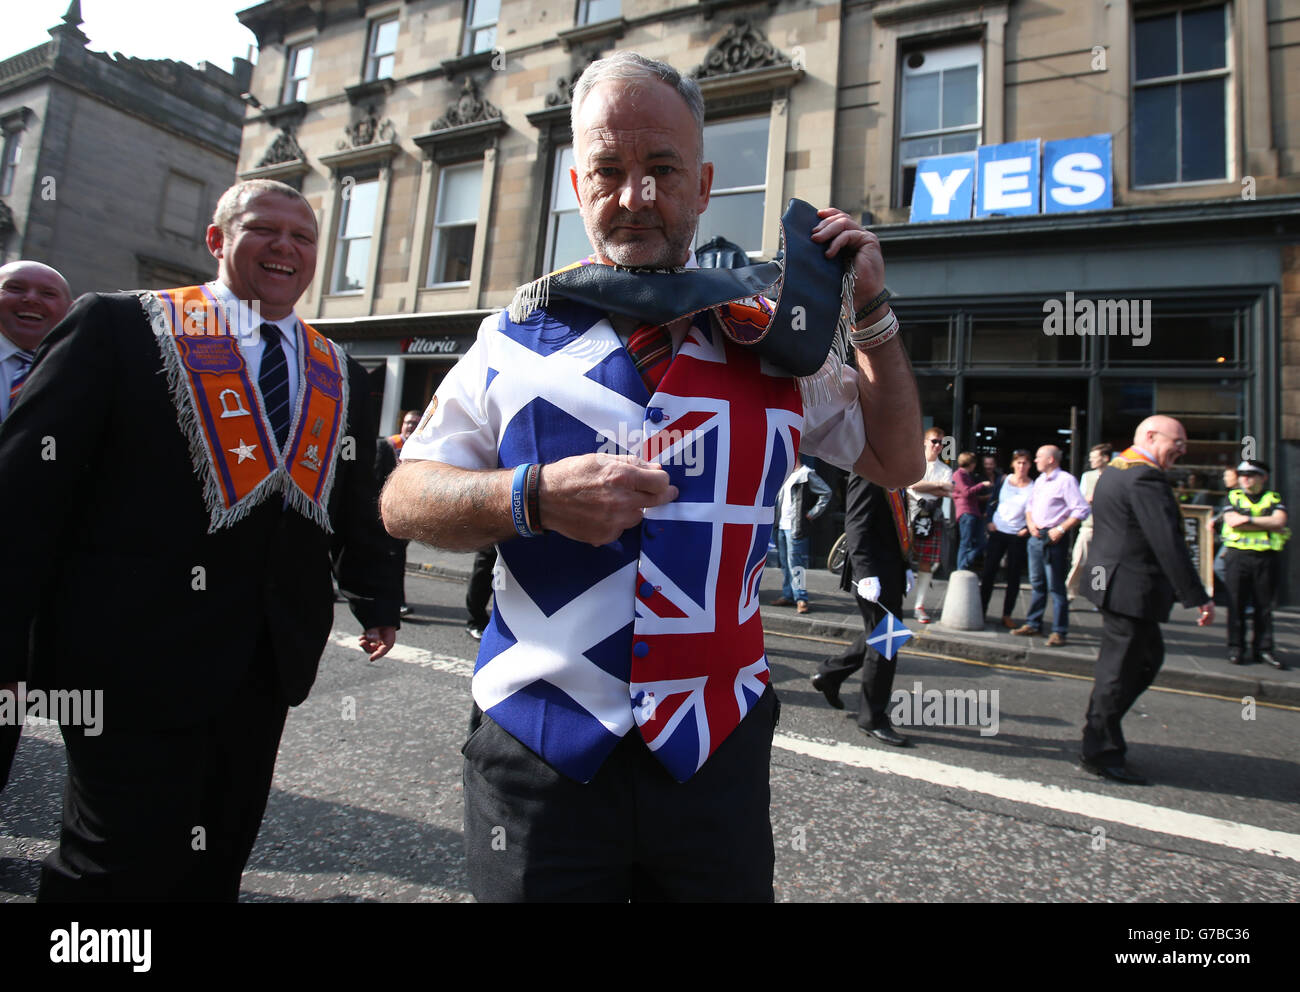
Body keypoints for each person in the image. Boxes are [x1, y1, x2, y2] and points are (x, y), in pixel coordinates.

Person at [381, 51, 922, 902]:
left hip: (715, 755)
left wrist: (875, 314)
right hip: (539, 754)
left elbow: (899, 461)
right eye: (609, 170)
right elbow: (403, 499)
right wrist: (527, 497)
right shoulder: (510, 338)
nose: (636, 197)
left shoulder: (771, 342)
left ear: (704, 184)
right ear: (576, 183)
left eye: (662, 169)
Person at [0, 179, 402, 900]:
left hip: (263, 663)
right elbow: (24, 494)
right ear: (217, 240)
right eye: (263, 229)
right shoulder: (119, 326)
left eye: (303, 236)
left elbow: (351, 498)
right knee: (112, 866)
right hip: (123, 658)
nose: (285, 248)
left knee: (215, 862)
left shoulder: (337, 367)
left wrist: (376, 592)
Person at [1079, 416, 1213, 784]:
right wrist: (1197, 595)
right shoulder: (1144, 475)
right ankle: (1100, 749)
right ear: (1151, 436)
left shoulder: (1116, 469)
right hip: (1129, 586)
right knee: (1123, 668)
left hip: (1112, 580)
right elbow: (1167, 539)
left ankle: (1099, 733)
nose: (1182, 451)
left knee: (1140, 661)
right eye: (1178, 442)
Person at [0, 259, 73, 793]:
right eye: (15, 289)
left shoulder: (83, 373)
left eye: (48, 293)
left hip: (36, 571)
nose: (32, 301)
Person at [810, 472, 913, 746]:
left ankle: (831, 674)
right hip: (873, 576)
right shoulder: (869, 472)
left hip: (891, 572)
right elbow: (855, 524)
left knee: (882, 634)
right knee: (885, 643)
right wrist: (866, 574)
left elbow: (896, 525)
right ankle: (872, 717)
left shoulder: (893, 472)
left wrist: (907, 565)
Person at [1013, 445, 1089, 646]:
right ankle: (1033, 624)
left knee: (1056, 587)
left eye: (1038, 457)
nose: (1035, 460)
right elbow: (1030, 507)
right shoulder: (1039, 481)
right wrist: (1030, 524)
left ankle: (1059, 631)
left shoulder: (1066, 481)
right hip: (1036, 536)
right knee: (1037, 584)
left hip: (1053, 538)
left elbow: (1081, 509)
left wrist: (1061, 529)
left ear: (1051, 460)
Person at [1221, 459, 1288, 669]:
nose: (1245, 479)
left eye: (1250, 475)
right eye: (1242, 475)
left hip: (1265, 558)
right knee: (1236, 604)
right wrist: (1263, 523)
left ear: (1263, 478)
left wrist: (1247, 520)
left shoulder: (1272, 498)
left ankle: (1264, 649)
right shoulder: (1233, 496)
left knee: (1264, 607)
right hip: (1237, 557)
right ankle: (1236, 647)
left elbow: (1279, 521)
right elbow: (1232, 521)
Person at [375, 410, 422, 616]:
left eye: (415, 423)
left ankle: (391, 600)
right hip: (386, 512)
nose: (410, 427)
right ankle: (394, 602)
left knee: (396, 558)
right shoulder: (388, 445)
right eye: (408, 422)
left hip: (407, 514)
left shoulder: (423, 450)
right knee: (391, 558)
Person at [980, 449, 1033, 628]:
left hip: (1017, 534)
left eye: (1025, 463)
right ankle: (981, 610)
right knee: (988, 573)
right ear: (1013, 464)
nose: (1021, 466)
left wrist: (1027, 528)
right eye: (1018, 462)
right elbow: (992, 501)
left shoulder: (1033, 486)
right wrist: (988, 520)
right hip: (998, 531)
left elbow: (1035, 511)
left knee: (1014, 576)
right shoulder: (1003, 480)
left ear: (1030, 465)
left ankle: (1007, 614)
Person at [772, 458, 832, 614]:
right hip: (780, 526)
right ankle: (788, 595)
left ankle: (801, 598)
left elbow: (826, 492)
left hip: (795, 527)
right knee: (785, 563)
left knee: (796, 564)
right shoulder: (784, 475)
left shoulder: (806, 474)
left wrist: (812, 514)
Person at [907, 426, 953, 623]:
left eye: (941, 442)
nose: (938, 445)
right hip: (908, 516)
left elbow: (949, 491)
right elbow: (912, 485)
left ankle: (919, 606)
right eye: (934, 441)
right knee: (899, 558)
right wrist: (938, 487)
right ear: (925, 442)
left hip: (930, 519)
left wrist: (927, 486)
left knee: (926, 564)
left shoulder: (946, 469)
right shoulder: (914, 463)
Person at [1065, 443, 1112, 600]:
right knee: (1079, 560)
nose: (1091, 460)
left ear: (1105, 458)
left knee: (1100, 564)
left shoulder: (1114, 476)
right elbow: (1079, 500)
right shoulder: (1087, 476)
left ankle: (1097, 596)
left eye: (1094, 457)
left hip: (1107, 528)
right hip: (1089, 526)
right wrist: (1088, 500)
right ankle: (1070, 591)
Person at [952, 451, 991, 571]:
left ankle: (965, 563)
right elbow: (966, 492)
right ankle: (961, 567)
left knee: (981, 542)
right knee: (966, 542)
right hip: (966, 512)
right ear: (971, 463)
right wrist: (982, 485)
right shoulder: (959, 474)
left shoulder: (968, 475)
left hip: (974, 512)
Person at [1210, 466, 1238, 608]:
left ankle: (1240, 599)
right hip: (1229, 539)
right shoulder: (1232, 495)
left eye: (1228, 476)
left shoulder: (1238, 496)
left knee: (1220, 567)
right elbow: (1223, 514)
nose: (1225, 479)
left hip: (1236, 540)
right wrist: (1214, 520)